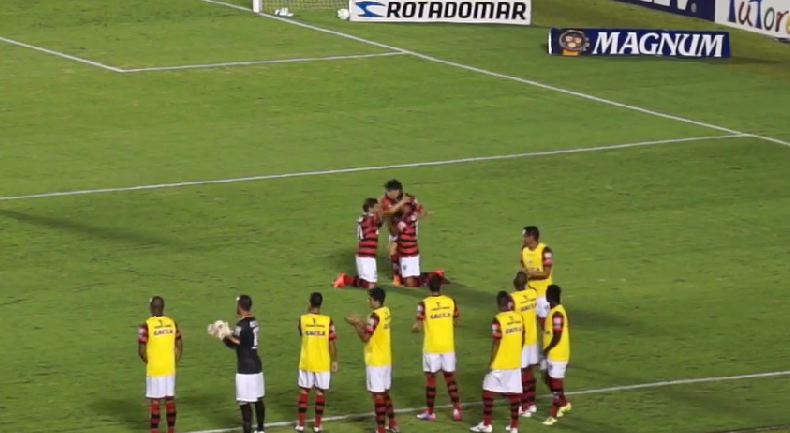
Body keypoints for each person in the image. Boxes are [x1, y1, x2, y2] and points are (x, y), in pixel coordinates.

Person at [345, 287, 398, 433]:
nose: (367, 301)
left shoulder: (374, 316)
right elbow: (374, 329)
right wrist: (362, 322)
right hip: (386, 358)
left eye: (369, 298)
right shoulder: (386, 312)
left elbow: (365, 338)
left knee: (377, 396)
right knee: (385, 392)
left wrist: (356, 324)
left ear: (376, 300)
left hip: (375, 360)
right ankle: (392, 424)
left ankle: (380, 429)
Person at [470, 292, 523, 433]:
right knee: (513, 394)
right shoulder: (519, 317)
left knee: (487, 391)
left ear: (499, 304)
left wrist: (491, 362)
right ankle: (514, 427)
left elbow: (496, 342)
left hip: (500, 362)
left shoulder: (498, 319)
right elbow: (523, 336)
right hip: (514, 361)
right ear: (509, 303)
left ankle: (487, 424)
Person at [413, 274, 462, 421]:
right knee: (450, 378)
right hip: (447, 346)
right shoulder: (451, 301)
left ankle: (430, 412)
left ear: (428, 286)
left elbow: (419, 327)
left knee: (431, 379)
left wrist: (414, 327)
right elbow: (457, 321)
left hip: (431, 347)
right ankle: (456, 410)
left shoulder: (423, 304)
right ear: (440, 286)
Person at [222, 295, 266, 433]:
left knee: (244, 402)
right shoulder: (254, 321)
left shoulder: (241, 324)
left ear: (240, 306)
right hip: (256, 366)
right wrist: (226, 335)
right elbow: (240, 340)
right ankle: (260, 429)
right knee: (258, 399)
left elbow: (236, 343)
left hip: (245, 368)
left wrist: (223, 334)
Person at [138, 296, 182, 433]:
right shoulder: (172, 323)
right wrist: (174, 361)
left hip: (155, 369)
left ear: (151, 307)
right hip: (169, 368)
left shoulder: (146, 325)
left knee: (155, 402)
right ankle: (171, 430)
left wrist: (149, 361)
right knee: (170, 400)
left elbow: (141, 350)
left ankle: (154, 431)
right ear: (162, 307)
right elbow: (179, 345)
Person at [296, 292, 339, 433]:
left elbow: (302, 333)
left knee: (304, 391)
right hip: (322, 363)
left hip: (306, 361)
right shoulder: (328, 321)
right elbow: (331, 342)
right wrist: (334, 360)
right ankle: (317, 425)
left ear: (310, 302)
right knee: (320, 393)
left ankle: (301, 424)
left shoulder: (302, 319)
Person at [333, 197, 385, 289]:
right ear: (370, 209)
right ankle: (345, 278)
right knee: (370, 285)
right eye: (376, 207)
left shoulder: (366, 218)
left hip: (367, 254)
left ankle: (345, 278)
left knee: (368, 282)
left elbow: (379, 223)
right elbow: (379, 220)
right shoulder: (369, 219)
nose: (378, 209)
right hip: (365, 254)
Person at [380, 179, 425, 285]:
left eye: (390, 190)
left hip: (407, 227)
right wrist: (402, 202)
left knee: (396, 248)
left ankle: (400, 275)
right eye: (388, 190)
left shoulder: (411, 198)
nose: (388, 193)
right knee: (392, 250)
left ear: (398, 191)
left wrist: (413, 217)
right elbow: (389, 211)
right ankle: (397, 275)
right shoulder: (386, 200)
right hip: (394, 227)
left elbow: (421, 211)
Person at [509, 272, 539, 417]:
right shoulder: (533, 293)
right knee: (529, 371)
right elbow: (531, 288)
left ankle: (524, 406)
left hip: (520, 341)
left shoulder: (513, 299)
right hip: (533, 339)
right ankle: (532, 403)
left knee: (519, 373)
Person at [542, 285, 571, 426]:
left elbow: (557, 334)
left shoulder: (557, 313)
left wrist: (548, 348)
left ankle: (553, 415)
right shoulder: (553, 310)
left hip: (558, 354)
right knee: (549, 380)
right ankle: (564, 403)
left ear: (549, 297)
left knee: (555, 384)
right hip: (552, 353)